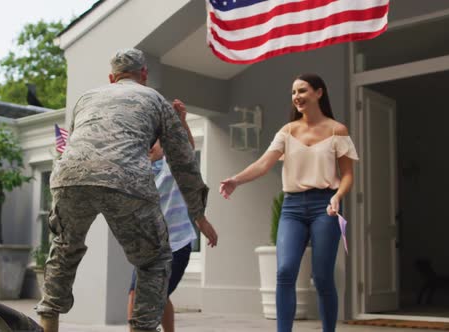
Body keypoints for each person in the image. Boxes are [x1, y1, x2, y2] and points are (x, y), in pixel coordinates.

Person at [35, 48, 211, 332]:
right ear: (144, 75)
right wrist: (199, 214)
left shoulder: (86, 98)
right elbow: (183, 160)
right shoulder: (154, 98)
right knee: (154, 260)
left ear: (111, 77)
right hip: (126, 181)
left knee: (64, 249)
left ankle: (46, 323)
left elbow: (77, 145)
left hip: (69, 176)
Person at [219, 73, 358, 332]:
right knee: (284, 271)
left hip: (324, 206)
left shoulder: (337, 130)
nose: (296, 97)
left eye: (302, 91)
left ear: (319, 92)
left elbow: (348, 174)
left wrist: (338, 196)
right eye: (294, 93)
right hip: (292, 208)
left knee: (323, 276)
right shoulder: (287, 131)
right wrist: (236, 180)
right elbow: (263, 163)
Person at [127, 99, 218, 332]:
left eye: (153, 142)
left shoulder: (172, 166)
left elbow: (186, 148)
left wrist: (182, 122)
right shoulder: (138, 172)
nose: (149, 146)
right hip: (148, 247)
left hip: (176, 246)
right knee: (137, 293)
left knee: (156, 294)